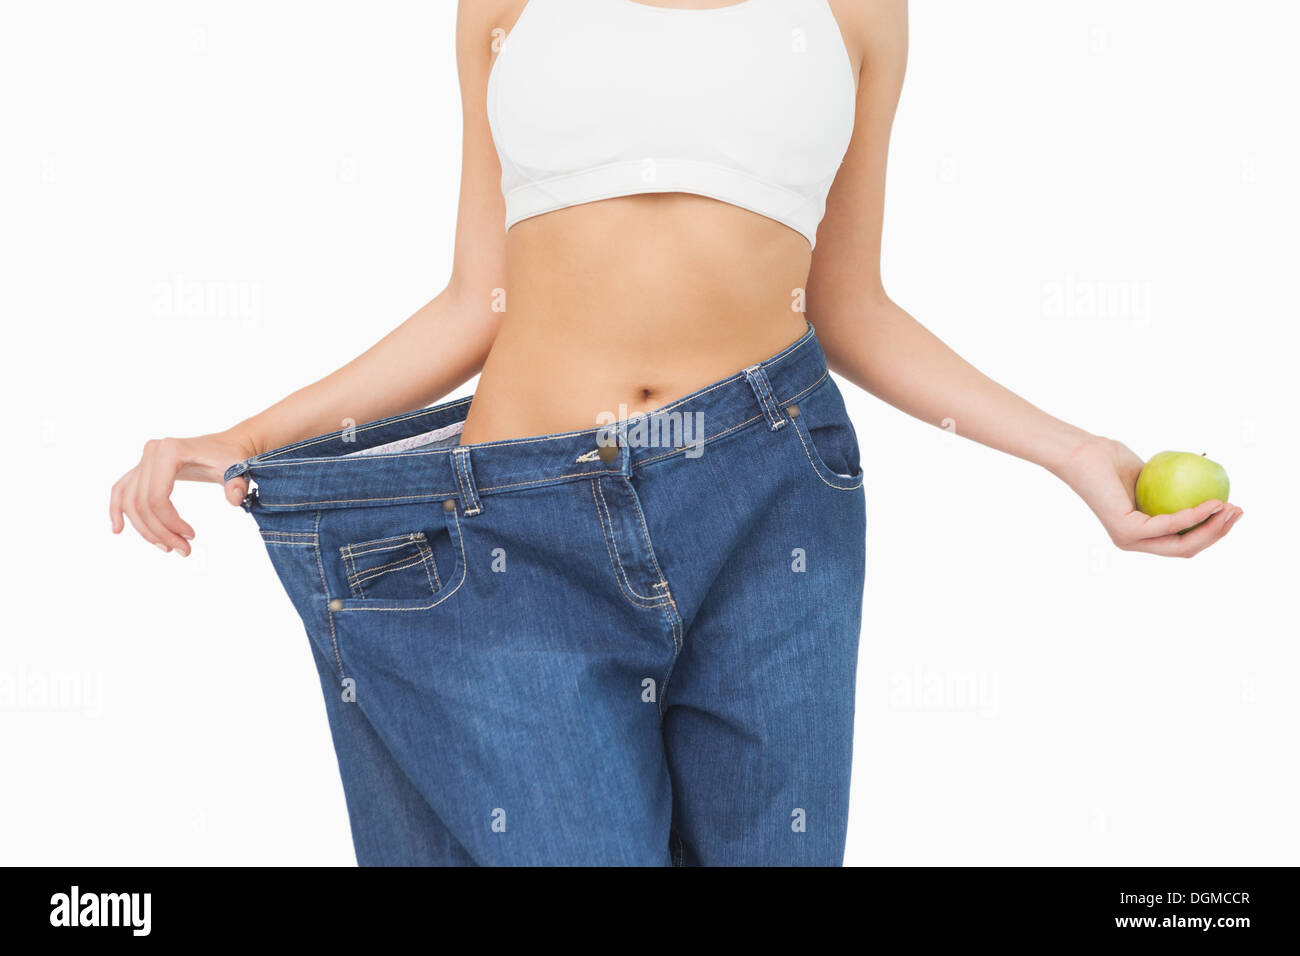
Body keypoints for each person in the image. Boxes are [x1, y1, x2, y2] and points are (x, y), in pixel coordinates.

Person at [109, 0, 1241, 866]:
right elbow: (475, 301)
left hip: (770, 502)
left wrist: (1070, 452)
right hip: (518, 518)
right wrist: (249, 432)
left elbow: (846, 305)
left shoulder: (854, 12)